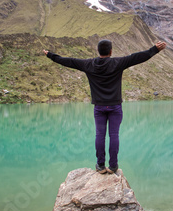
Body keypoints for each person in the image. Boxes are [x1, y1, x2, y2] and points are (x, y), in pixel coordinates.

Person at [43, 40, 166, 174]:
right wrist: (155, 49)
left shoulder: (88, 64)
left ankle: (100, 165)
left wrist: (50, 55)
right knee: (114, 135)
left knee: (100, 135)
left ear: (98, 51)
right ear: (111, 51)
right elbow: (138, 57)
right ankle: (113, 166)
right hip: (115, 107)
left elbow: (67, 61)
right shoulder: (118, 63)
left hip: (99, 108)